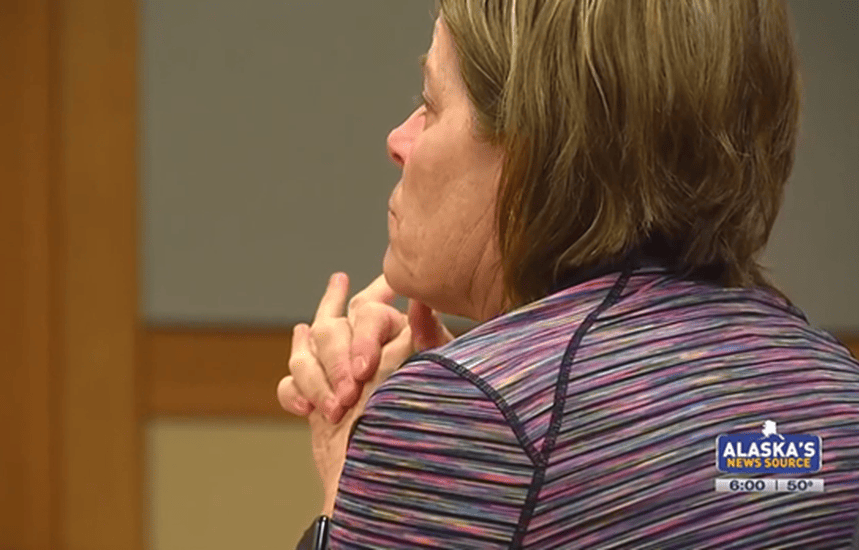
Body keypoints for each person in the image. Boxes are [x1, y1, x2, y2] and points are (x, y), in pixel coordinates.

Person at [277, 0, 859, 547]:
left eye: (430, 102)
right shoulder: (839, 396)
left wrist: (364, 467)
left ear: (536, 148)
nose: (398, 141)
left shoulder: (464, 418)